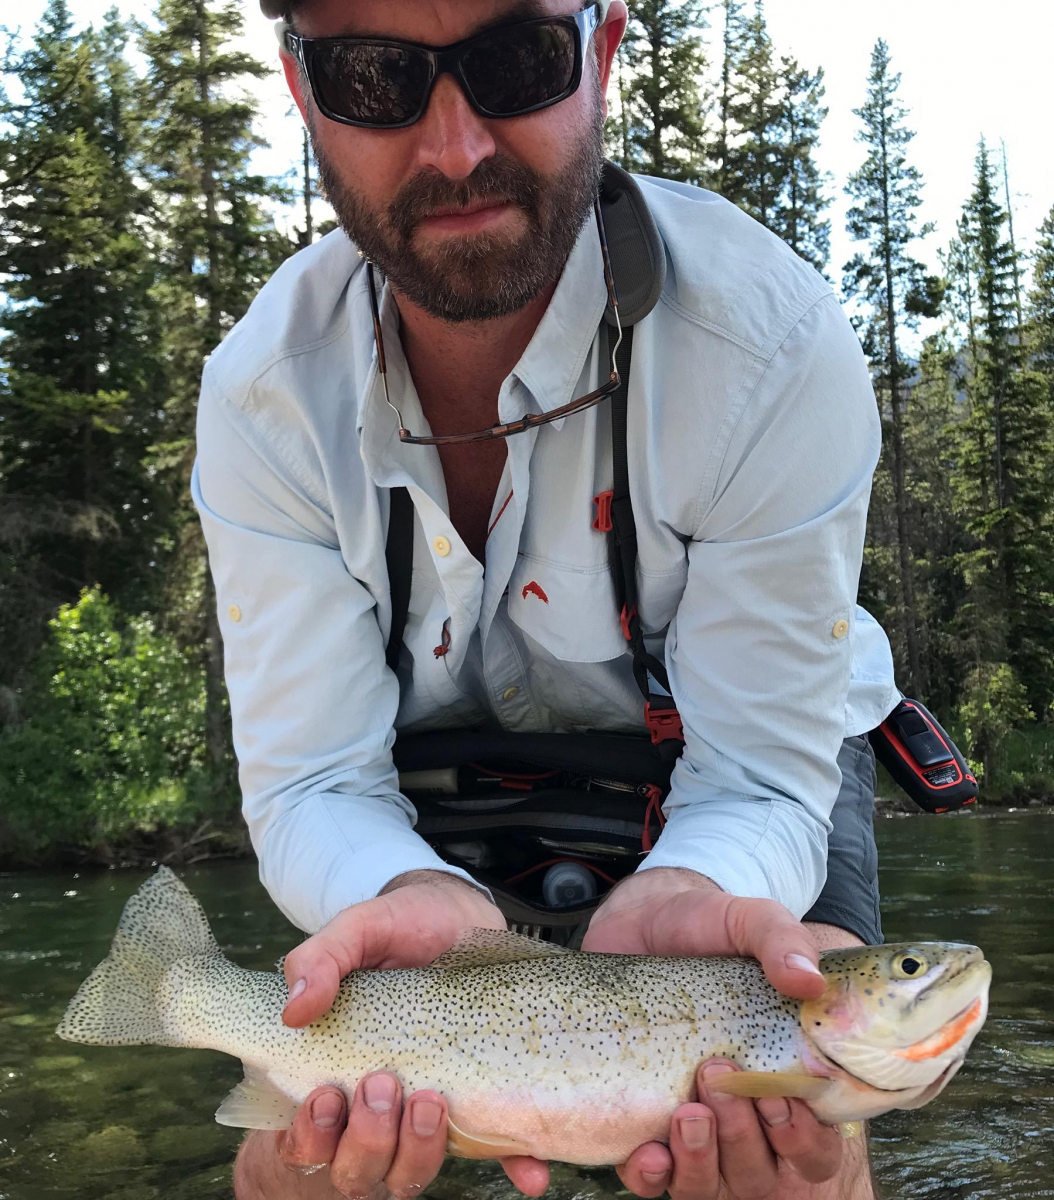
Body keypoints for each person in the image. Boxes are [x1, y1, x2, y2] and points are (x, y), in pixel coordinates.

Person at [192, 1, 899, 1197]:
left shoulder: (771, 347)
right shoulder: (263, 396)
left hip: (738, 767)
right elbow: (315, 781)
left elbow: (766, 777)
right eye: (373, 77)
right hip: (430, 769)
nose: (456, 145)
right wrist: (409, 891)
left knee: (806, 1165)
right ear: (305, 90)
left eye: (517, 60)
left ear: (604, 52)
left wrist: (692, 884)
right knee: (296, 1171)